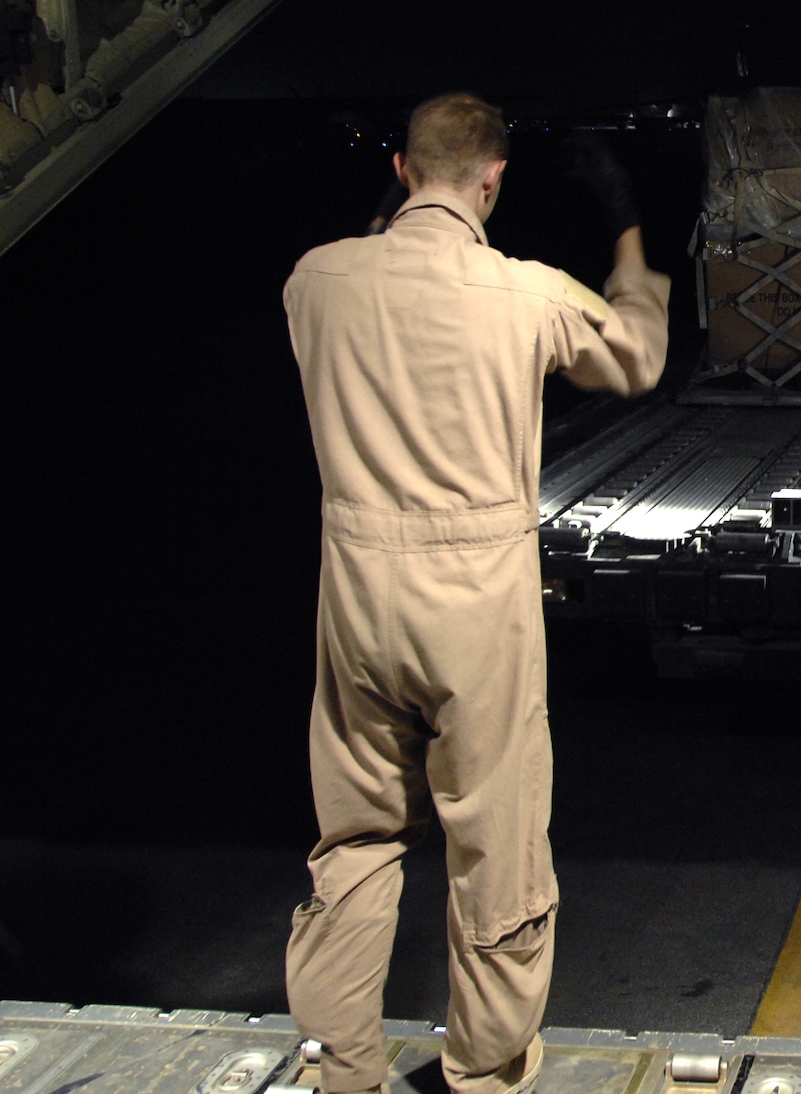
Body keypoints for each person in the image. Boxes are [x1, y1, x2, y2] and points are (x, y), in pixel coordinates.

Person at [282, 93, 672, 1094]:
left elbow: (374, 259)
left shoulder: (315, 279)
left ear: (404, 173)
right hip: (475, 606)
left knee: (358, 837)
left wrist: (395, 205)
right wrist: (625, 225)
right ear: (492, 183)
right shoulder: (526, 292)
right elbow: (635, 354)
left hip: (358, 598)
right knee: (493, 843)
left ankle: (340, 1070)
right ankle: (483, 1073)